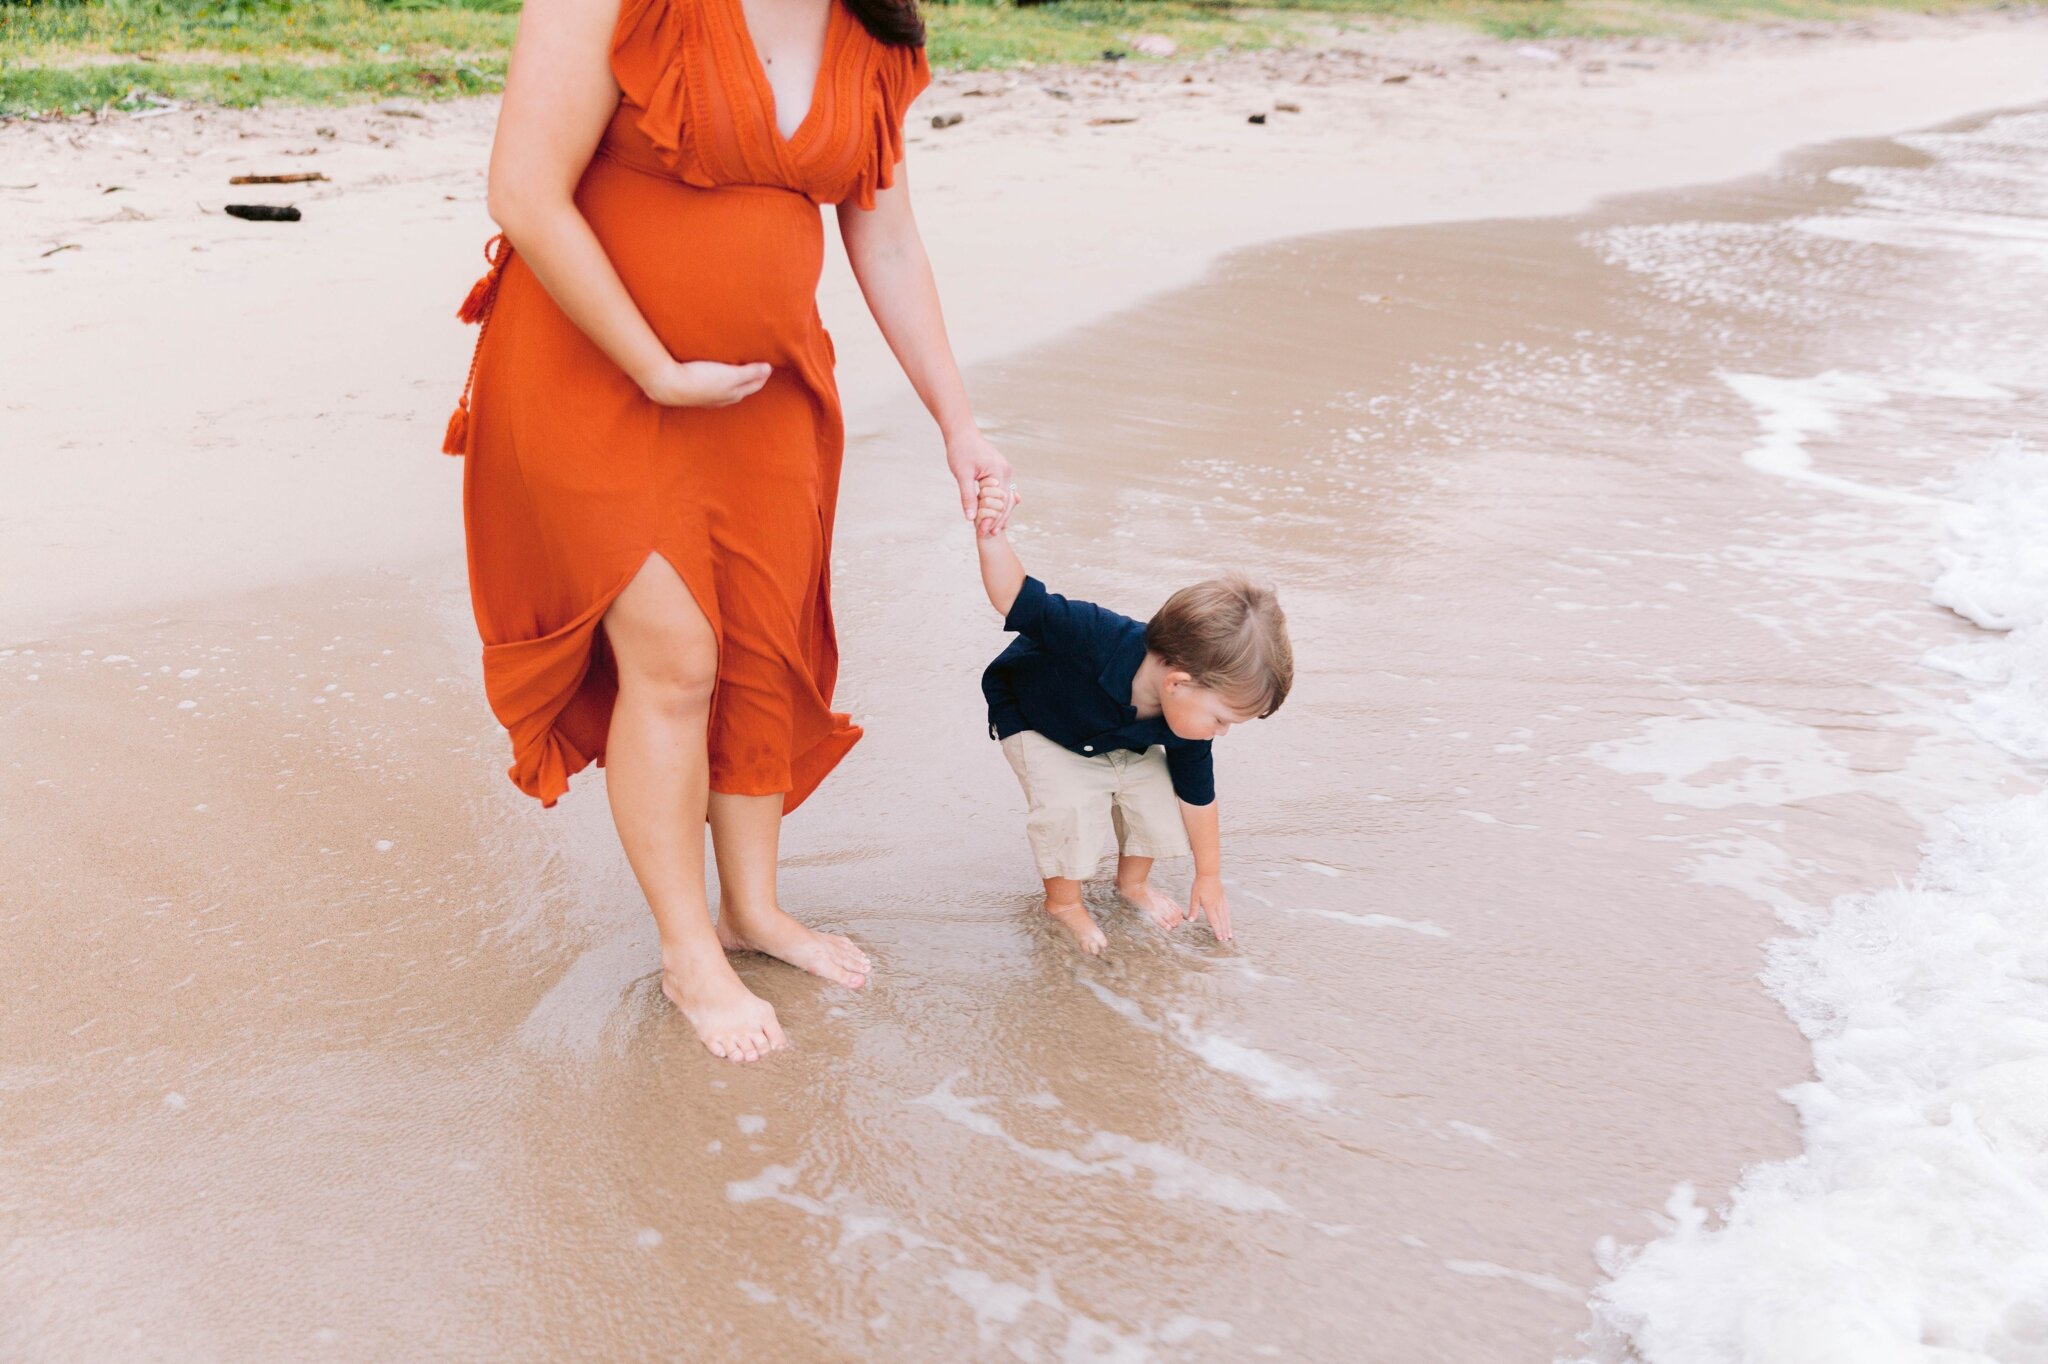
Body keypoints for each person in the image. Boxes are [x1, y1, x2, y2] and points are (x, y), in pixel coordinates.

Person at [448, 0, 1014, 1063]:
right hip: (589, 366)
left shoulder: (878, 27)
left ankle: (753, 908)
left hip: (767, 390)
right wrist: (655, 366)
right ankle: (686, 945)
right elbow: (524, 194)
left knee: (761, 643)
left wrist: (958, 422)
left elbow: (883, 235)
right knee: (676, 657)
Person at [969, 478, 1293, 955]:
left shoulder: (1187, 720)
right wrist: (992, 535)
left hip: (1110, 733)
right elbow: (1016, 599)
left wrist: (1209, 875)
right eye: (1221, 718)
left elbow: (1198, 798)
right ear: (1178, 683)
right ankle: (1062, 902)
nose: (1220, 733)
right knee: (1070, 806)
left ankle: (1132, 884)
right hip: (1037, 719)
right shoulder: (1092, 634)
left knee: (1156, 794)